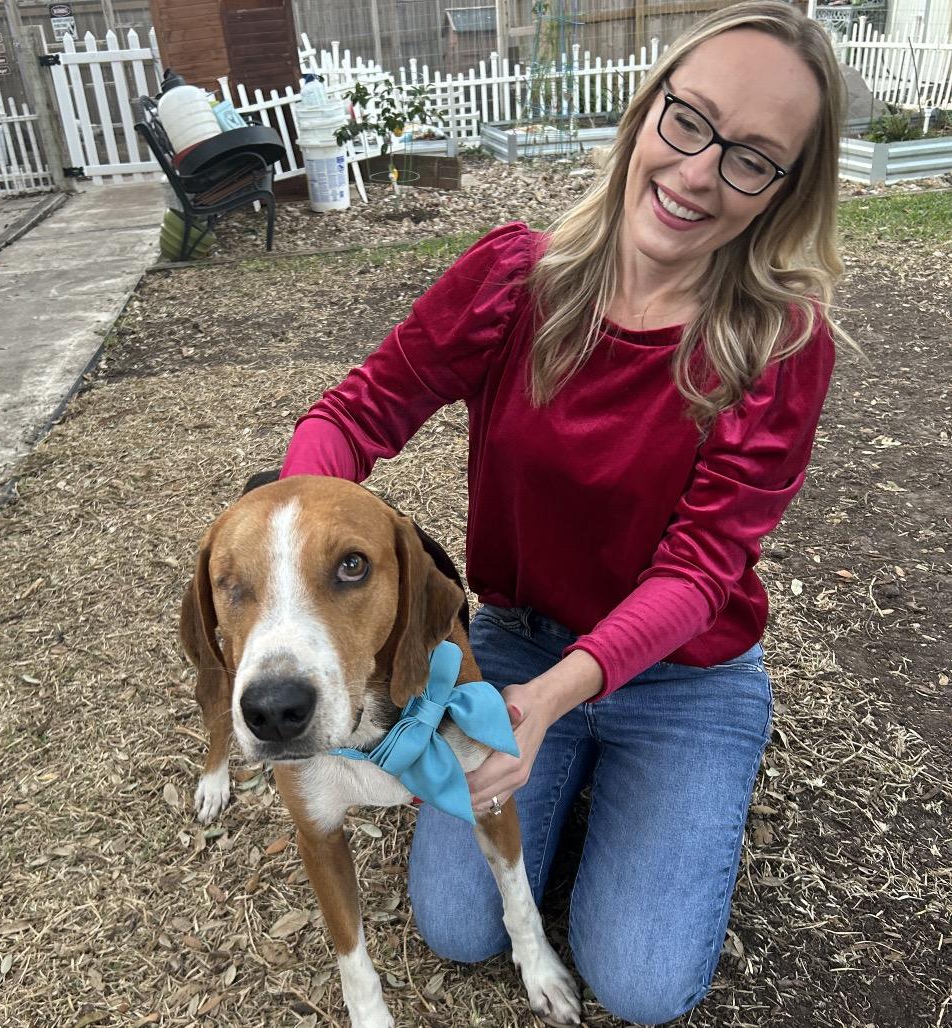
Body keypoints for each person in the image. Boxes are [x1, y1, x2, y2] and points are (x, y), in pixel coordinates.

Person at [280, 1, 851, 1022]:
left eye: (750, 158)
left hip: (682, 673)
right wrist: (290, 551)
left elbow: (696, 570)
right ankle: (574, 772)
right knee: (456, 926)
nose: (695, 173)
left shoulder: (777, 345)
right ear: (645, 113)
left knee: (638, 981)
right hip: (512, 637)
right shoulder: (510, 281)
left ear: (780, 192)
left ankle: (643, 767)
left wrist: (549, 704)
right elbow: (358, 410)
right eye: (689, 122)